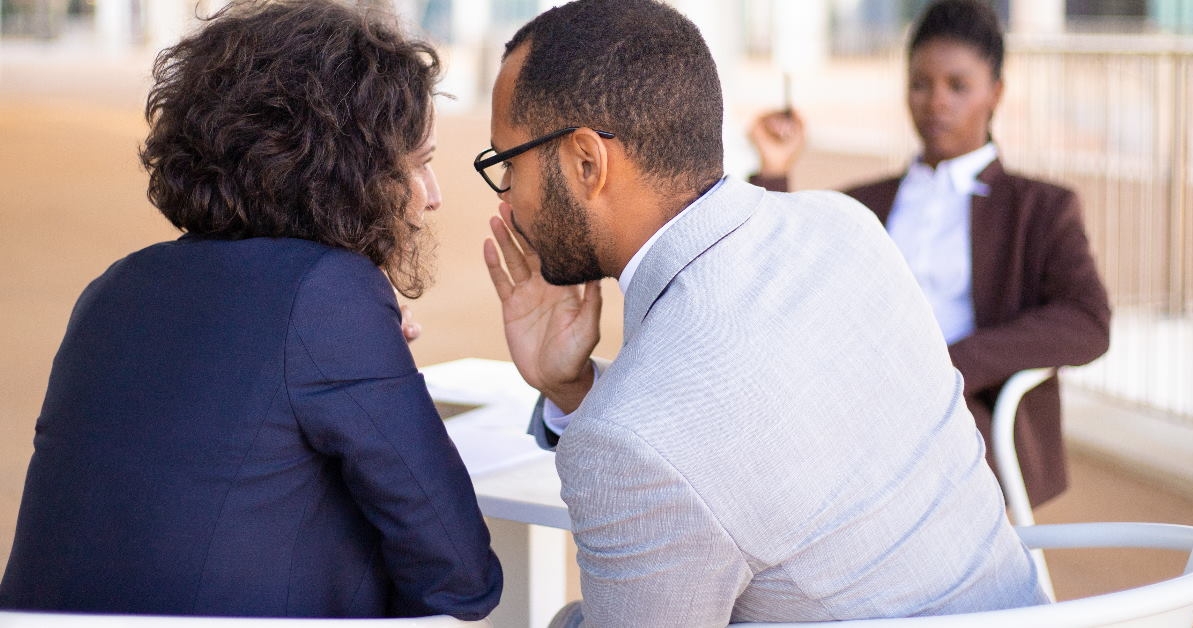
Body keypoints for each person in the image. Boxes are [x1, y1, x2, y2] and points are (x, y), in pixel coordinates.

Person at [476, 0, 1047, 625]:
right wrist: (572, 387)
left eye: (508, 162)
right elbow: (743, 443)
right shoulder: (846, 228)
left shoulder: (632, 438)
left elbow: (675, 444)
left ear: (588, 162)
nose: (507, 201)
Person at [0, 0, 501, 618]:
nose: (433, 197)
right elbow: (461, 576)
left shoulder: (113, 289)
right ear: (346, 170)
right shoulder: (328, 292)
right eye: (419, 165)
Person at [749, 0, 1111, 509]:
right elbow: (784, 279)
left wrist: (951, 366)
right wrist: (773, 167)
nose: (935, 102)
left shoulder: (1041, 208)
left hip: (966, 417)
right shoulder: (864, 204)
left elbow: (1088, 321)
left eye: (957, 86)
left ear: (996, 93)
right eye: (920, 84)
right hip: (863, 408)